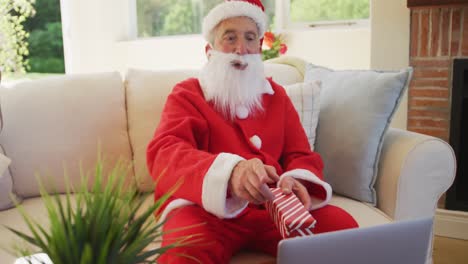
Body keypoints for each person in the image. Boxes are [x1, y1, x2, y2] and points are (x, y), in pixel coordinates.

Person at [147, 0, 358, 263]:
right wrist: (230, 173)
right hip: (207, 211)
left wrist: (296, 180)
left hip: (273, 206)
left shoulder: (277, 96)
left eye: (249, 38)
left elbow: (300, 154)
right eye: (230, 37)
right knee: (183, 252)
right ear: (209, 49)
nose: (241, 49)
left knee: (342, 228)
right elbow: (165, 153)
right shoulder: (188, 94)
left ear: (259, 47)